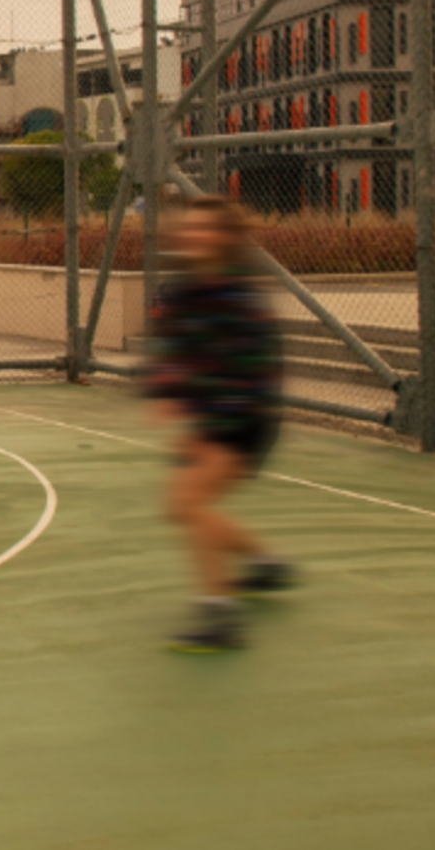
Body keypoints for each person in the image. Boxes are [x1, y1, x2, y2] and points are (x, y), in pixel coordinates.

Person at [146, 194, 292, 653]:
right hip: (212, 416)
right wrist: (168, 389)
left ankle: (219, 616)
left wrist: (200, 417)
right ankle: (266, 564)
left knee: (189, 504)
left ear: (226, 238)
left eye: (206, 228)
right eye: (191, 228)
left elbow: (253, 370)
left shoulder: (241, 300)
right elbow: (176, 354)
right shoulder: (186, 291)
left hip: (246, 417)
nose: (194, 235)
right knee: (184, 507)